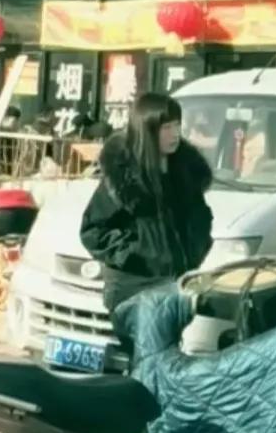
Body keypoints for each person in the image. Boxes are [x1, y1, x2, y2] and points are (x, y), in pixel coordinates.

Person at [81, 92, 213, 317]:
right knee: (146, 351)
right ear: (146, 130)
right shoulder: (124, 177)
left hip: (176, 285)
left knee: (168, 350)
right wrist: (135, 253)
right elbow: (93, 231)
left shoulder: (184, 172)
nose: (174, 134)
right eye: (166, 128)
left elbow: (200, 220)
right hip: (134, 289)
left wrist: (194, 253)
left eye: (176, 125)